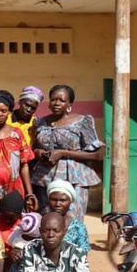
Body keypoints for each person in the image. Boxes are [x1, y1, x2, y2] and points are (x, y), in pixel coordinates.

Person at [31, 84, 105, 221]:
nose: (57, 103)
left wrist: (63, 153)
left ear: (70, 103)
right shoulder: (40, 122)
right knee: (48, 218)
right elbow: (33, 148)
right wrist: (38, 152)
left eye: (62, 100)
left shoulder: (82, 121)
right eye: (53, 100)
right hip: (44, 178)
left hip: (74, 178)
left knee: (72, 219)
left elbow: (96, 154)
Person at [0, 90, 35, 205]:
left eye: (3, 111)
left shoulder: (17, 133)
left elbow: (24, 164)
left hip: (14, 189)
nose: (0, 114)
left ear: (9, 111)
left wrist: (30, 193)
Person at [46, 180, 91, 256]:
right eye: (54, 200)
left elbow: (82, 257)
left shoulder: (78, 228)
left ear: (70, 202)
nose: (57, 204)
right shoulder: (40, 222)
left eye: (63, 200)